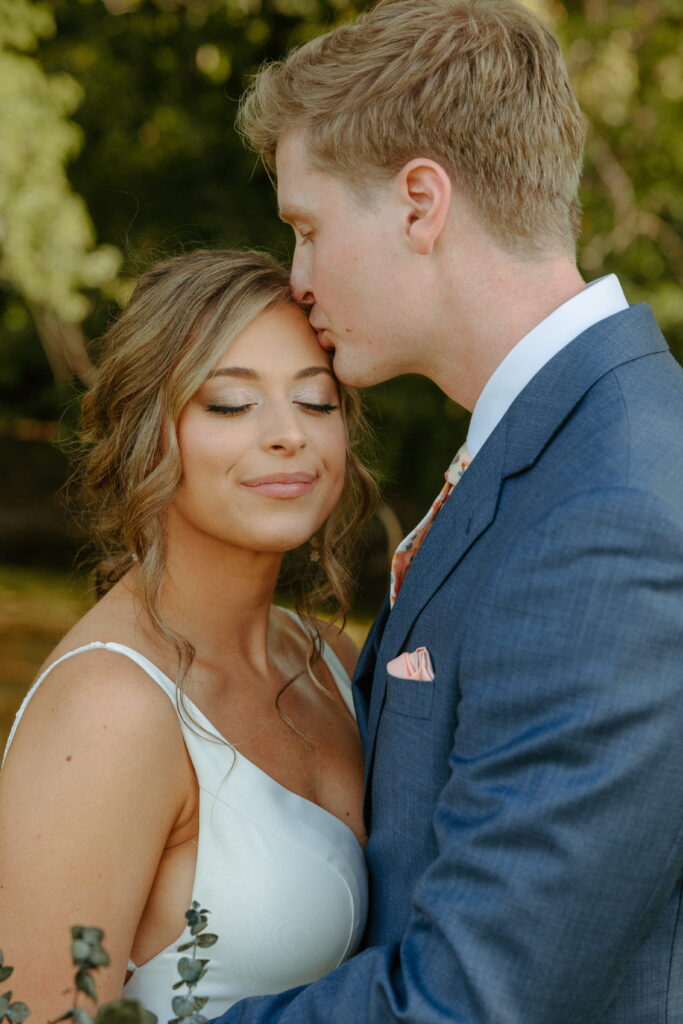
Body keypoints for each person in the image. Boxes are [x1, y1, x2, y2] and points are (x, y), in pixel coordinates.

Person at [207, 0, 683, 1021]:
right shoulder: (553, 446)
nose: (297, 281)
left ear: (420, 203)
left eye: (306, 228)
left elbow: (471, 996)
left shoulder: (609, 510)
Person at [0, 249, 378, 1021]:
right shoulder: (110, 713)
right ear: (148, 433)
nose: (286, 436)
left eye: (315, 401)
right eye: (231, 404)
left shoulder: (331, 660)